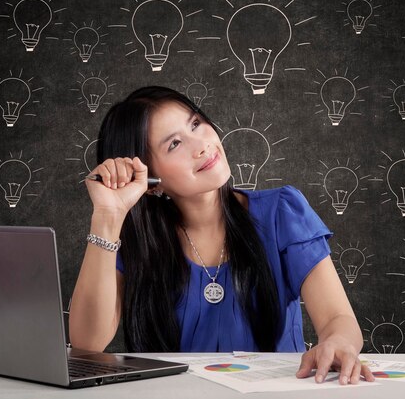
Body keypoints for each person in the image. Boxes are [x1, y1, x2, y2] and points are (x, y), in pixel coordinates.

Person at [69, 85, 375, 385]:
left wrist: (338, 343)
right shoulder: (134, 240)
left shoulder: (282, 212)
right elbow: (87, 343)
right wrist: (107, 217)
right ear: (152, 182)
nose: (202, 145)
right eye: (174, 144)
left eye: (196, 123)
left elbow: (339, 319)